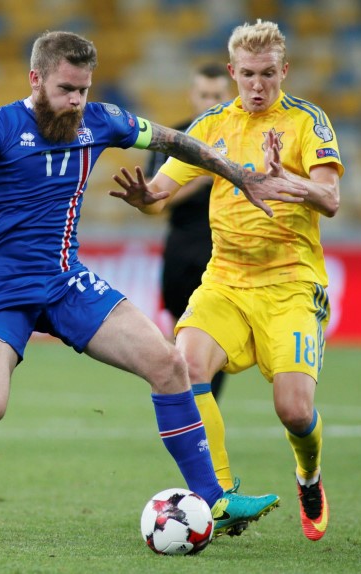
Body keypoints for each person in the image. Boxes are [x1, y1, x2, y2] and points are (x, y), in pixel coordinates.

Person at [0, 31, 309, 537]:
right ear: (35, 80)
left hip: (66, 282)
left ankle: (215, 499)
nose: (77, 101)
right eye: (66, 89)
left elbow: (178, 141)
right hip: (0, 288)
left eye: (84, 89)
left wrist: (240, 175)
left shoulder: (101, 121)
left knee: (169, 363)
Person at [110, 20, 343, 541]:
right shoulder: (210, 125)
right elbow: (160, 194)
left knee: (294, 410)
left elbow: (330, 199)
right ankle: (219, 497)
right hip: (226, 281)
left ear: (284, 71)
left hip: (289, 284)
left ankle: (309, 474)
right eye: (247, 75)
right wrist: (145, 198)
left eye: (267, 75)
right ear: (233, 72)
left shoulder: (308, 122)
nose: (257, 86)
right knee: (183, 364)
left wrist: (291, 182)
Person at [145, 62, 232, 401]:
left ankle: (205, 412)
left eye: (218, 95)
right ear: (192, 96)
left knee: (221, 342)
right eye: (204, 95)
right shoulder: (174, 139)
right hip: (182, 254)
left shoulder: (245, 140)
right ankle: (186, 409)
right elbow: (157, 199)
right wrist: (207, 173)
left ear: (230, 96)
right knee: (184, 343)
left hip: (223, 254)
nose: (210, 102)